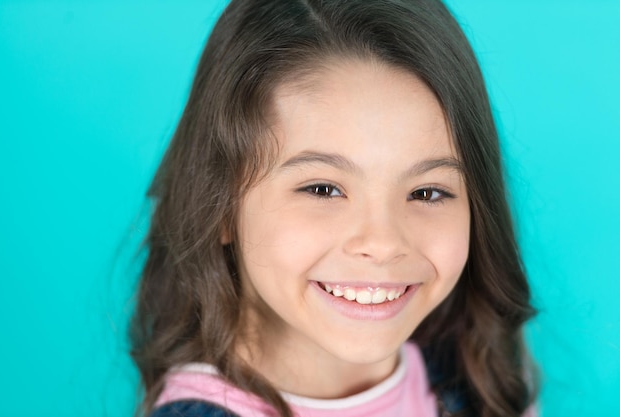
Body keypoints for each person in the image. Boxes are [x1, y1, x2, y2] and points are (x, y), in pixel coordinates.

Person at [129, 0, 537, 416]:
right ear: (220, 204)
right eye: (323, 189)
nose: (382, 242)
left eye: (427, 192)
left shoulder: (474, 372)